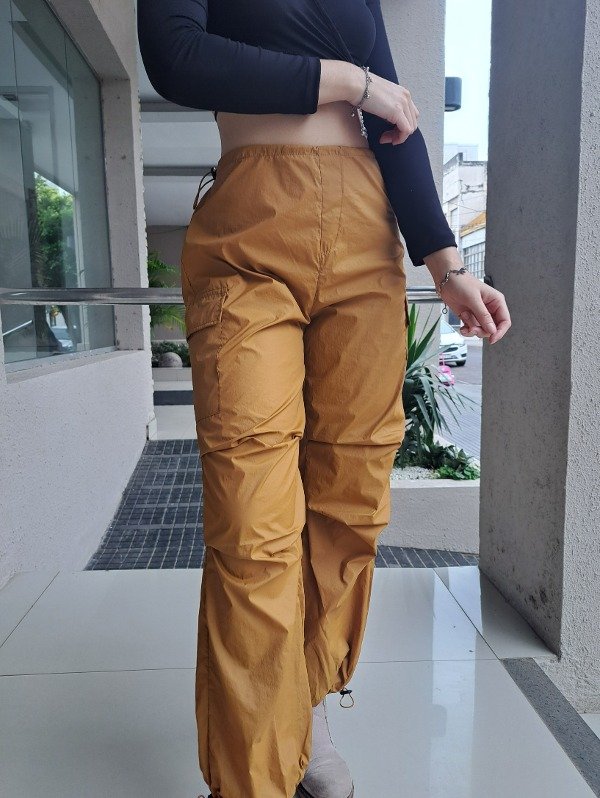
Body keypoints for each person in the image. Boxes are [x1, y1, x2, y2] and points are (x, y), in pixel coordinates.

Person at [137, 2, 511, 797]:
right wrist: (349, 82)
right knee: (252, 521)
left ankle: (299, 706)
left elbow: (397, 122)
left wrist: (447, 266)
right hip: (249, 230)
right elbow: (176, 56)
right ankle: (250, 779)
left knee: (352, 496)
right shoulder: (338, 78)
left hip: (365, 235)